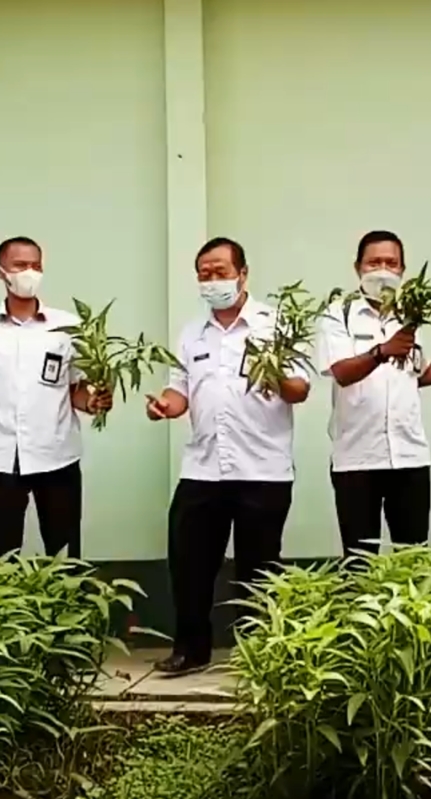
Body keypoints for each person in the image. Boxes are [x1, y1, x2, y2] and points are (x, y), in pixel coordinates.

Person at [146, 237, 309, 677]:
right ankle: (191, 649)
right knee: (189, 561)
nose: (213, 280)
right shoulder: (191, 333)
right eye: (204, 272)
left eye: (221, 271)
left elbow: (301, 389)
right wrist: (164, 405)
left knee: (258, 568)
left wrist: (274, 371)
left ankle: (256, 654)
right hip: (204, 467)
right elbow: (180, 390)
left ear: (243, 274)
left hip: (263, 467)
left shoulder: (276, 325)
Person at [0, 236, 111, 558]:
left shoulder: (68, 326)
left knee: (65, 553)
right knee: (1, 555)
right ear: (1, 272)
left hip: (57, 456)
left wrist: (92, 402)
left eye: (36, 265)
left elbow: (74, 391)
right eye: (20, 265)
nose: (29, 273)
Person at [315, 229, 431, 556]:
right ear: (357, 268)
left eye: (391, 262)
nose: (383, 269)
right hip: (356, 459)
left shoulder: (410, 315)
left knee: (411, 559)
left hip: (410, 456)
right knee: (359, 562)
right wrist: (382, 351)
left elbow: (419, 374)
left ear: (402, 270)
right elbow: (341, 371)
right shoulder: (338, 313)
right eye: (374, 262)